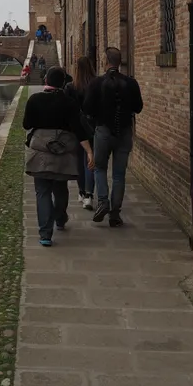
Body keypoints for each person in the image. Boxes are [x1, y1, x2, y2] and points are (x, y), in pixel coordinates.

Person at [23, 66, 93, 247]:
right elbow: (79, 129)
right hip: (62, 152)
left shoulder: (35, 99)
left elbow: (26, 124)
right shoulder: (69, 102)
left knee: (42, 192)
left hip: (40, 153)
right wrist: (89, 151)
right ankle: (60, 219)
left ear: (46, 80)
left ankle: (45, 234)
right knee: (60, 188)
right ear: (63, 83)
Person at [83, 46, 143, 227]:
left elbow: (87, 109)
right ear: (119, 62)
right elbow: (138, 107)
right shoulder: (131, 83)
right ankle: (115, 213)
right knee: (119, 174)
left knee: (100, 168)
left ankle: (103, 202)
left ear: (105, 61)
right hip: (124, 132)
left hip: (103, 131)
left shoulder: (96, 83)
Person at [65, 56, 97, 210]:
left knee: (79, 161)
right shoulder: (96, 84)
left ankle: (82, 192)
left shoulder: (70, 87)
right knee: (90, 161)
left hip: (76, 130)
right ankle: (89, 196)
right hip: (93, 128)